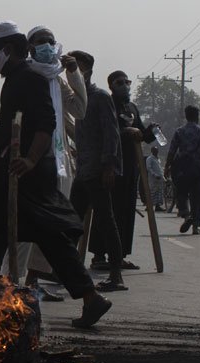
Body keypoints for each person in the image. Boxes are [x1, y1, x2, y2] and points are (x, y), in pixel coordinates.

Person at [0, 21, 111, 328]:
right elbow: (6, 125)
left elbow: (47, 123)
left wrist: (30, 160)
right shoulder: (16, 79)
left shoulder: (30, 79)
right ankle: (90, 298)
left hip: (27, 170)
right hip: (25, 168)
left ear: (6, 50)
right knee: (47, 237)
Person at [0, 25, 88, 300]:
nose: (47, 46)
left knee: (52, 228)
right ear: (29, 47)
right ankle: (11, 281)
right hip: (30, 160)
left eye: (51, 40)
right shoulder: (25, 75)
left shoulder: (59, 81)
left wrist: (74, 75)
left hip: (59, 161)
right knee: (25, 227)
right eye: (40, 41)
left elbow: (79, 111)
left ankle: (33, 282)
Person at [67, 51, 127, 292]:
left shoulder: (100, 97)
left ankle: (116, 275)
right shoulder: (77, 99)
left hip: (98, 170)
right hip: (83, 170)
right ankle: (67, 272)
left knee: (106, 221)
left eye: (77, 69)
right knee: (71, 222)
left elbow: (111, 134)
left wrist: (109, 166)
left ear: (88, 72)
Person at [88, 71, 157, 272]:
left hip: (130, 168)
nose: (125, 86)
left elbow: (142, 135)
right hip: (109, 166)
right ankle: (99, 255)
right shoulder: (105, 104)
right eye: (120, 83)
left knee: (126, 211)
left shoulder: (132, 108)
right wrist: (125, 132)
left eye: (127, 82)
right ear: (111, 85)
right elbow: (101, 132)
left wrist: (150, 132)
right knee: (106, 211)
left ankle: (119, 255)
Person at [165, 105, 200, 235]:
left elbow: (172, 151)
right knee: (197, 198)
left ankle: (186, 215)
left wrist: (167, 166)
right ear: (197, 117)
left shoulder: (179, 132)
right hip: (199, 169)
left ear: (186, 116)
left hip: (182, 169)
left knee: (181, 193)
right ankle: (196, 226)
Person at [147, 146, 165, 212]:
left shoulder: (157, 159)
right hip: (153, 179)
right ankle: (148, 206)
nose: (156, 152)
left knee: (159, 193)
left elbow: (160, 167)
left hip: (159, 178)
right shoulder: (150, 159)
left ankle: (158, 206)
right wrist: (154, 174)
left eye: (157, 151)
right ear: (152, 151)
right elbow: (149, 168)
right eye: (155, 151)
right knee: (152, 192)